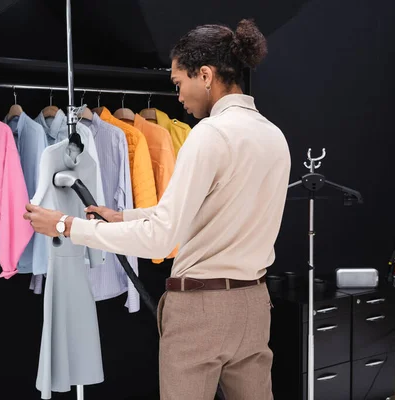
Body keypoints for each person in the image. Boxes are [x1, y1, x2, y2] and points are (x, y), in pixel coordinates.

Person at [24, 19, 291, 400]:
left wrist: (66, 226)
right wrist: (123, 216)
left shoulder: (209, 135)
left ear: (205, 75)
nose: (178, 96)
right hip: (253, 304)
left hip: (202, 309)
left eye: (179, 83)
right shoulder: (272, 135)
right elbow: (206, 214)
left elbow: (160, 238)